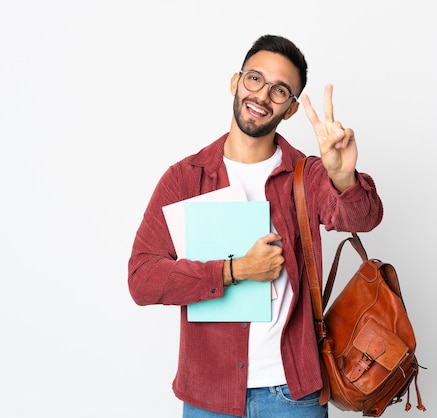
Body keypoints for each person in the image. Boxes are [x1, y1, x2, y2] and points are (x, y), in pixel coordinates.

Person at [128, 34, 383, 418]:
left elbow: (362, 219)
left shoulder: (307, 174)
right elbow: (142, 278)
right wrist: (235, 270)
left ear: (292, 109)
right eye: (255, 79)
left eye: (280, 90)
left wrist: (343, 177)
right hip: (207, 395)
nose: (263, 95)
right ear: (235, 82)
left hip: (292, 394)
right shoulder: (184, 178)